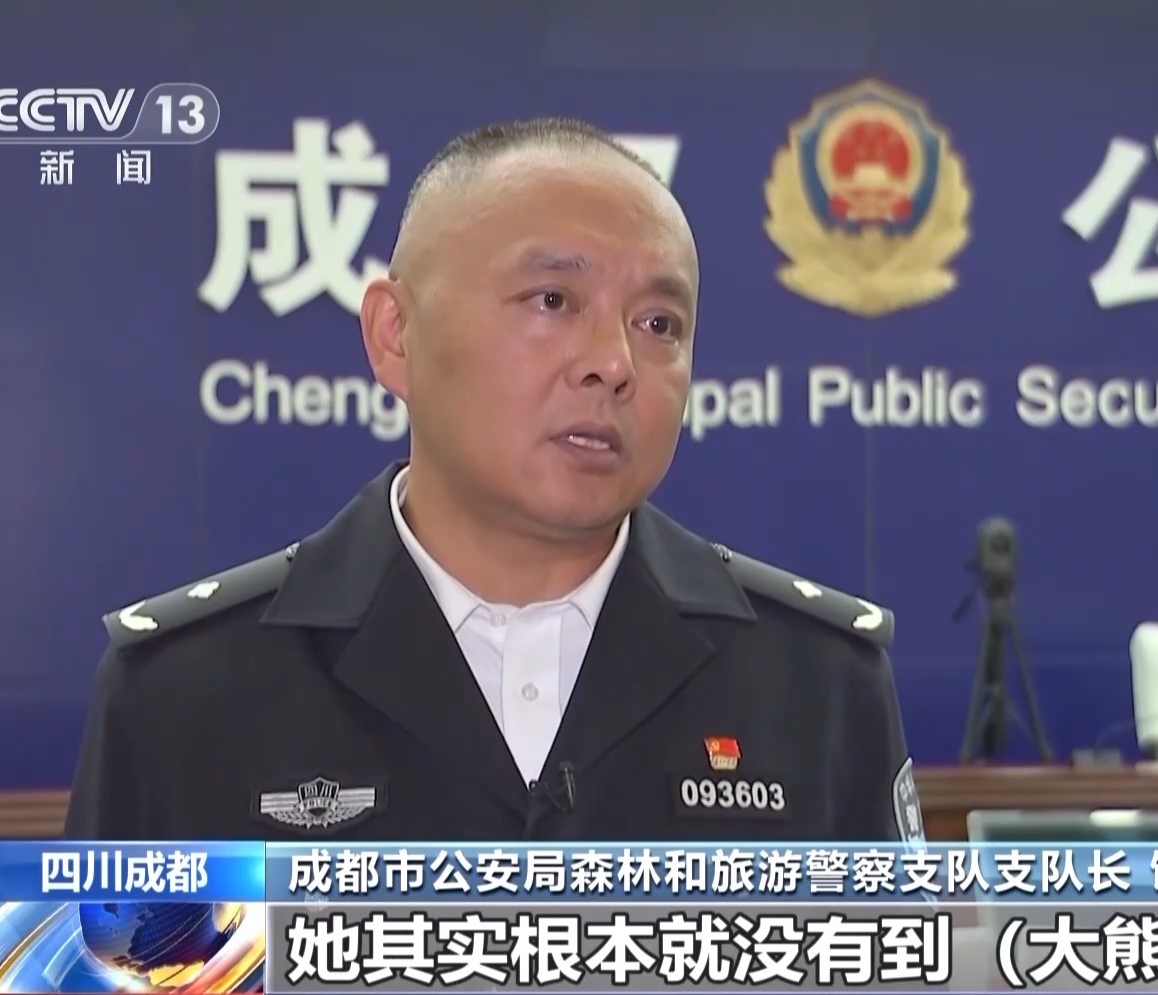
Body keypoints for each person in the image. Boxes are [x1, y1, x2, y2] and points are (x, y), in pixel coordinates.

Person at [65, 118, 920, 843]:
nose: (614, 362)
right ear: (395, 334)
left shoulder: (819, 685)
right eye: (552, 300)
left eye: (660, 323)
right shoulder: (182, 692)